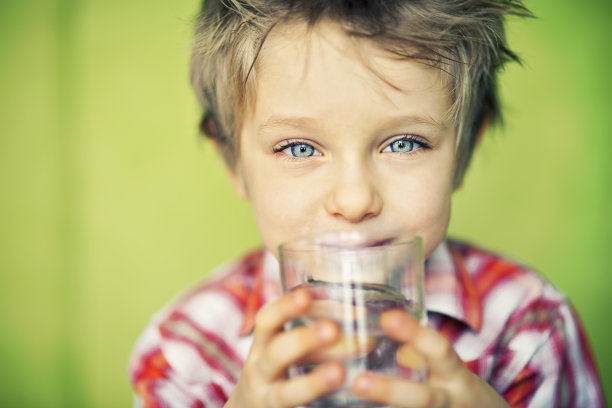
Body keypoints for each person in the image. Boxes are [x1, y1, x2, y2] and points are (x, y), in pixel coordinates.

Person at [128, 1, 605, 407]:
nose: (354, 201)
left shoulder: (529, 329)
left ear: (465, 153)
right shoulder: (186, 354)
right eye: (299, 148)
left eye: (403, 144)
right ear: (233, 163)